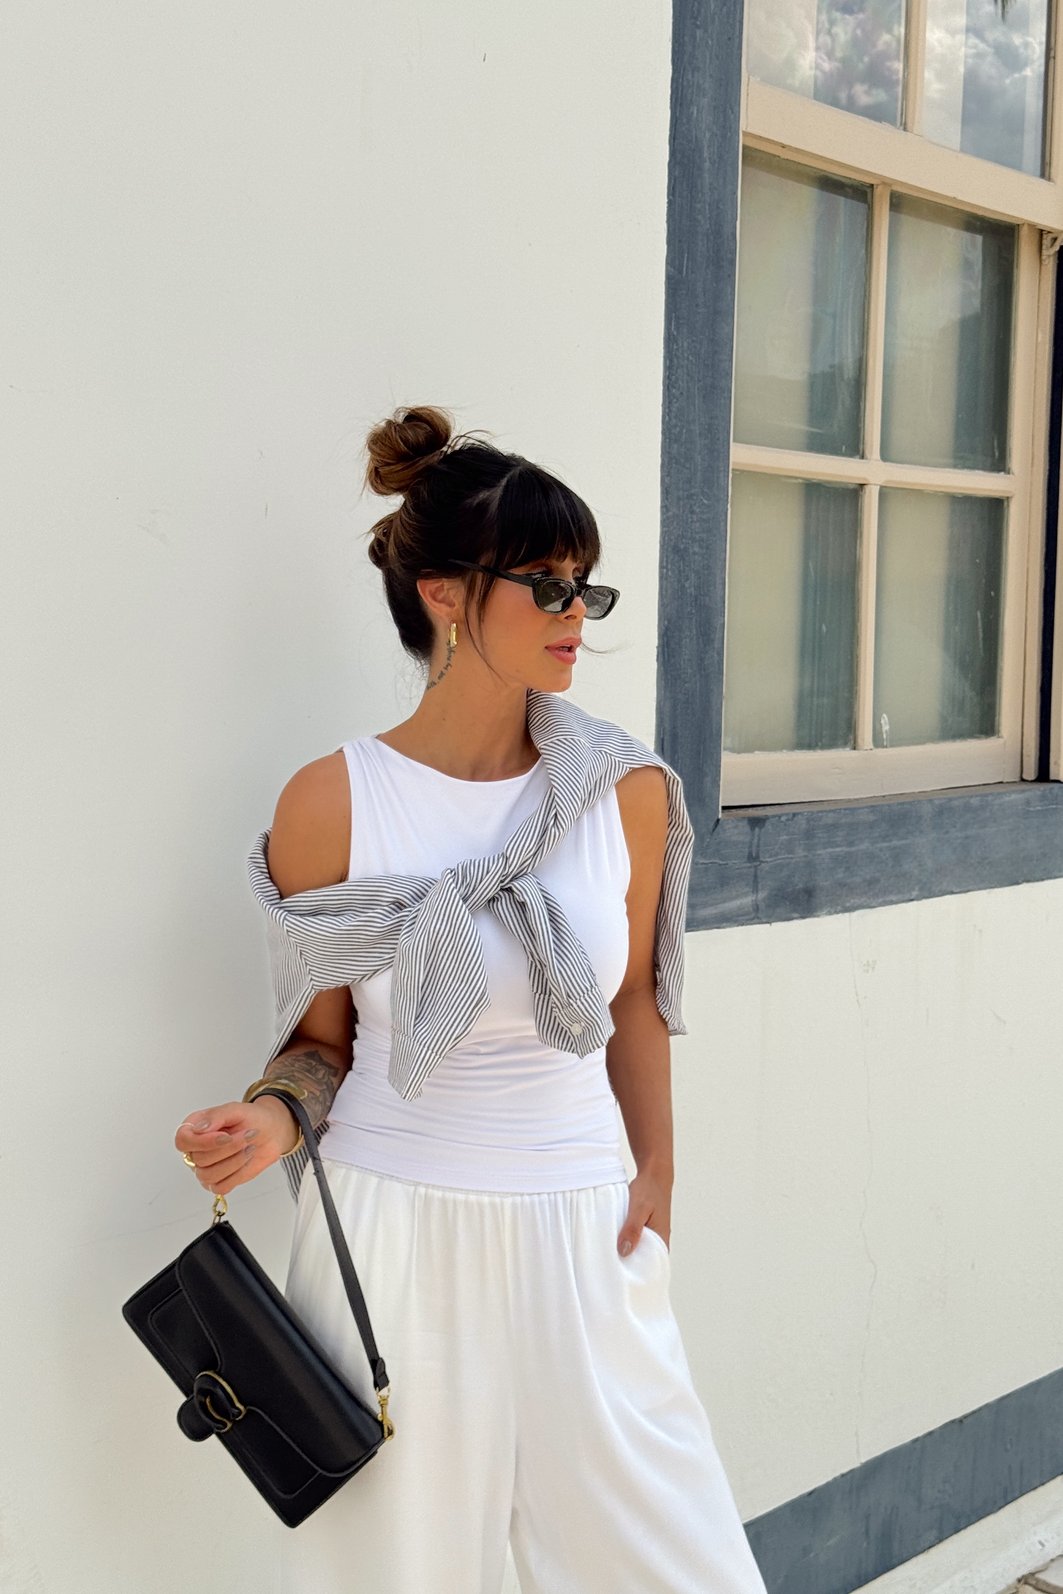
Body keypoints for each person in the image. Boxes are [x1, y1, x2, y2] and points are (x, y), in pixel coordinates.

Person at [174, 405, 769, 1594]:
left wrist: (656, 1175)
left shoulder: (621, 790)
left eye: (584, 586)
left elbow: (633, 1001)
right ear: (444, 593)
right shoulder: (332, 802)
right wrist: (271, 1120)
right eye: (545, 585)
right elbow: (321, 1042)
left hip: (580, 1222)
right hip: (391, 1235)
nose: (575, 615)